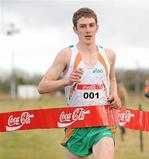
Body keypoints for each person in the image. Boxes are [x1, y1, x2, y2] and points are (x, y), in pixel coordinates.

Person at [38, 7, 121, 159]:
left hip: (102, 122)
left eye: (91, 25)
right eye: (82, 26)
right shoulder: (67, 54)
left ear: (97, 27)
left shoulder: (109, 54)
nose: (87, 30)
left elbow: (112, 78)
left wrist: (114, 94)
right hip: (76, 123)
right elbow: (42, 87)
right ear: (75, 29)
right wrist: (66, 81)